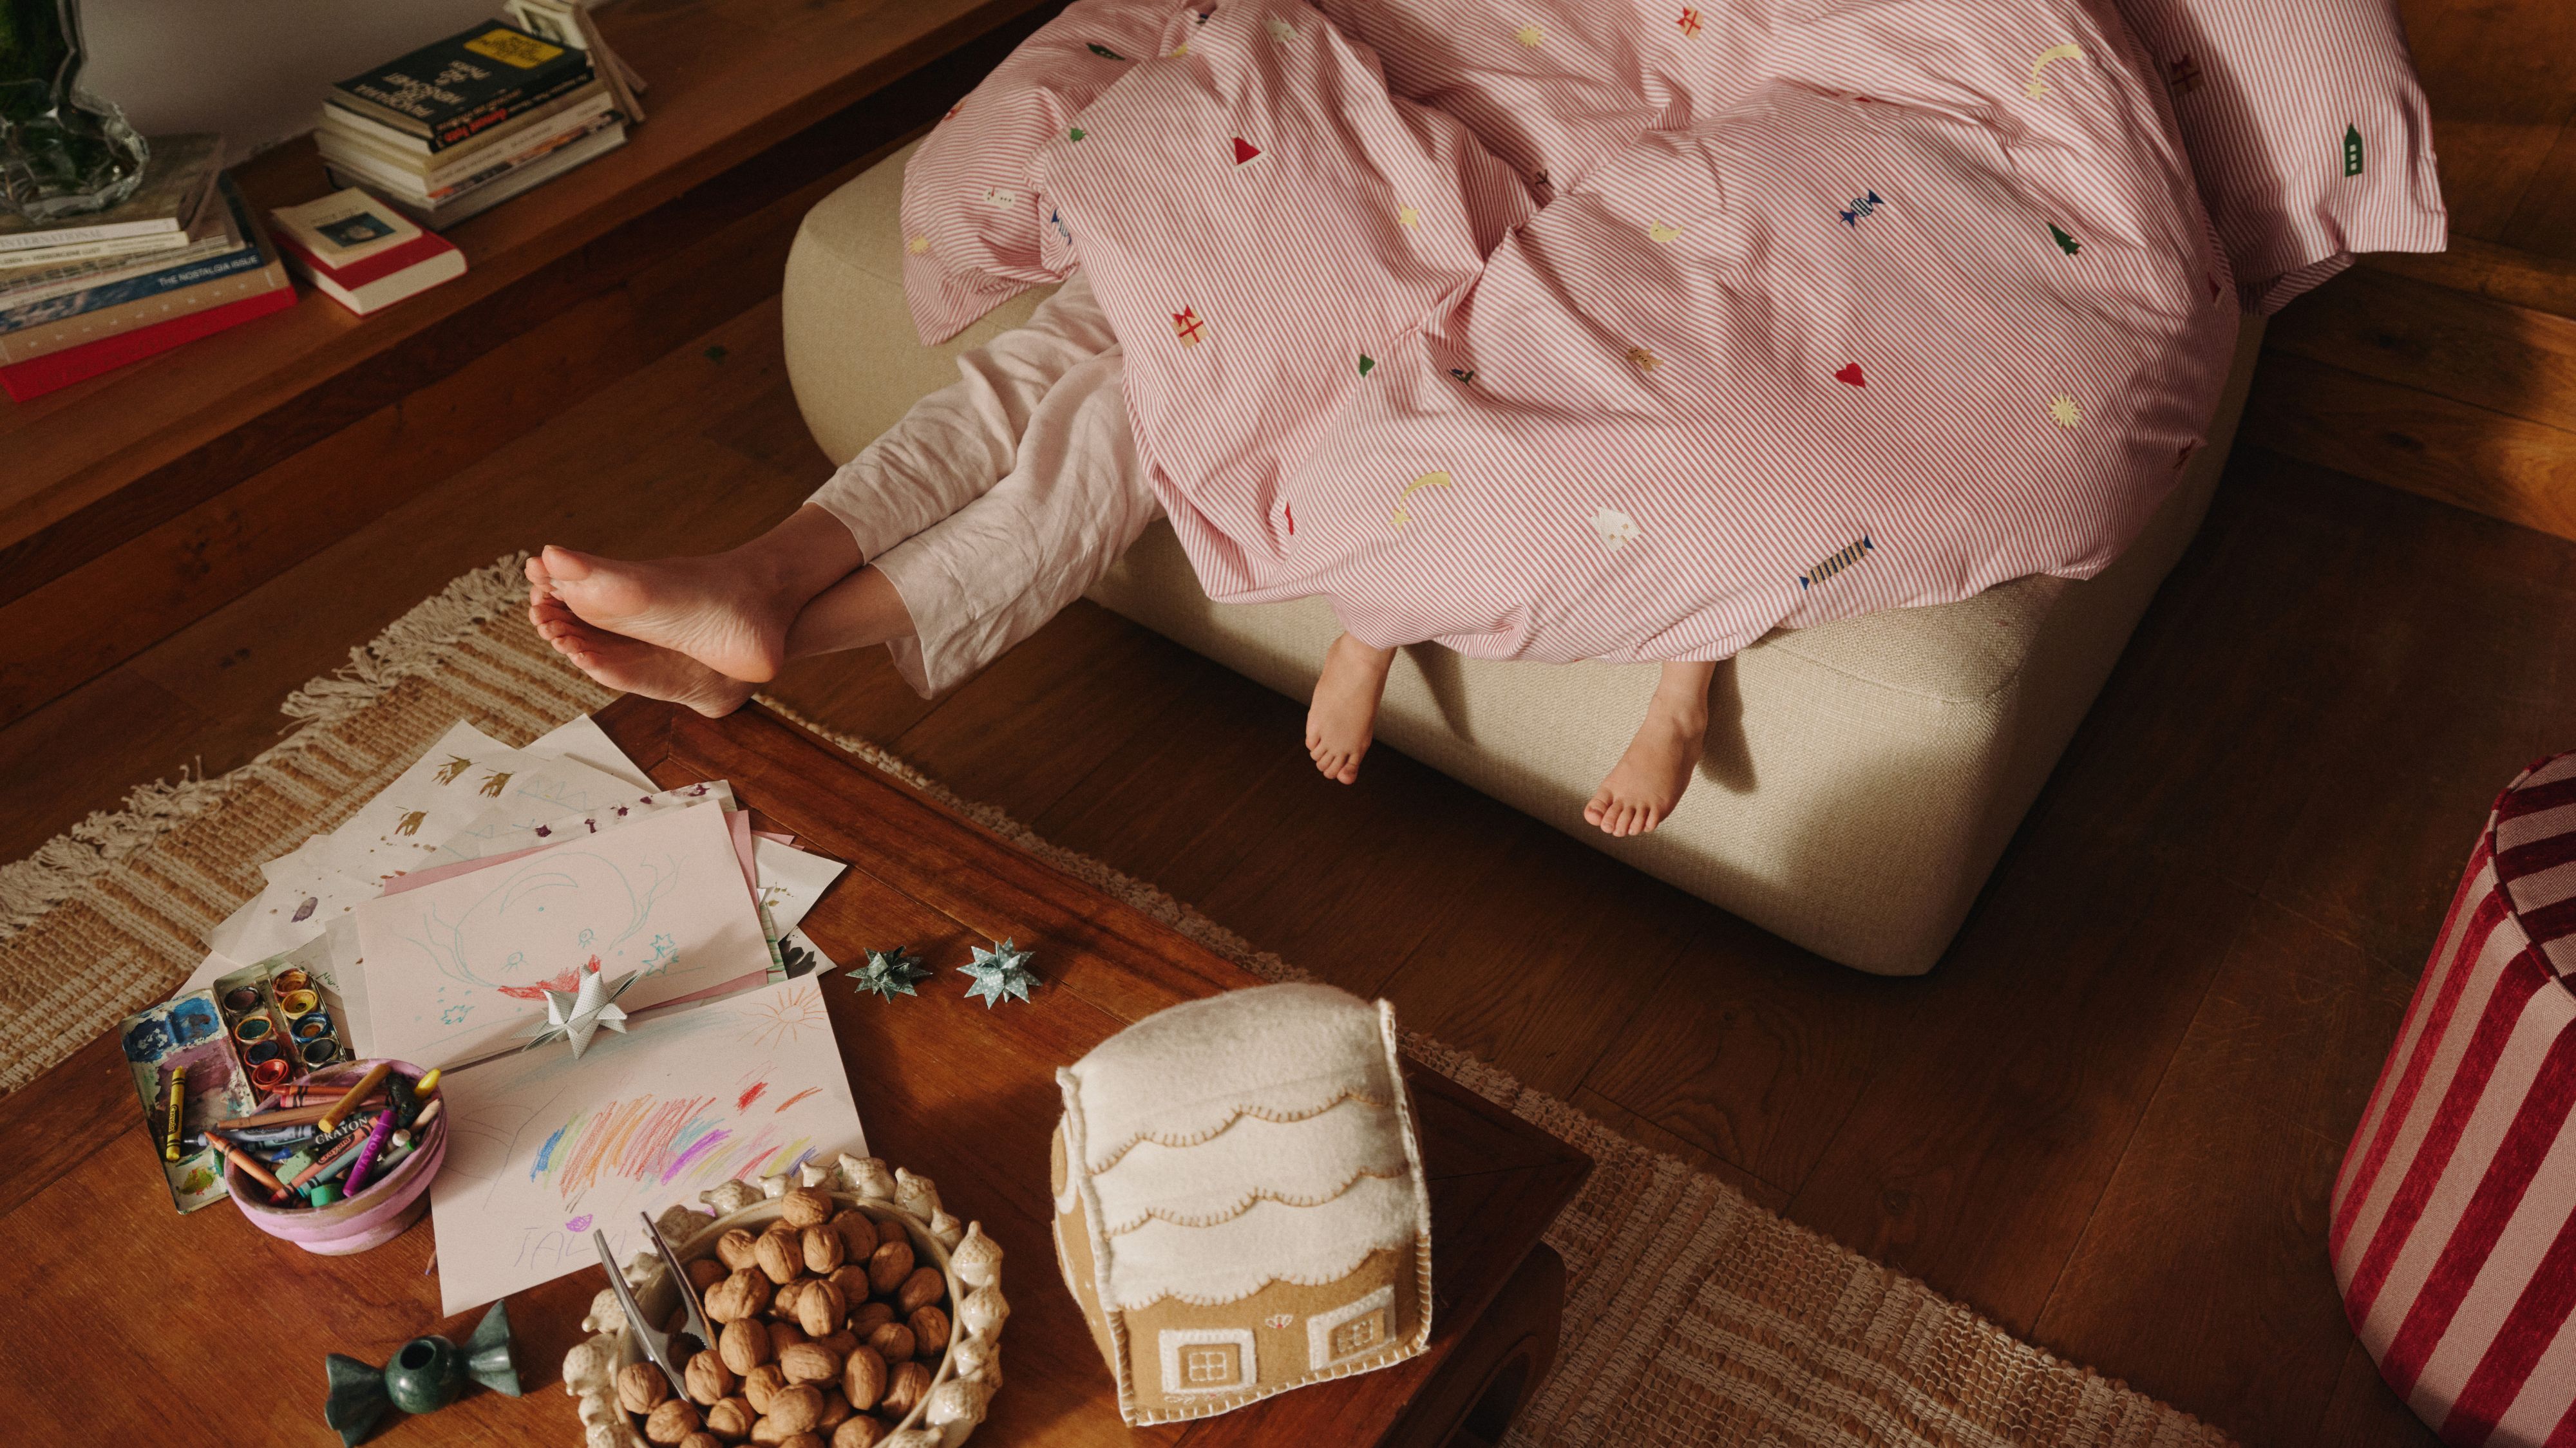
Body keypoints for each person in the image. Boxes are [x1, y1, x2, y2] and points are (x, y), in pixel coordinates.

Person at [530, 272, 1714, 838]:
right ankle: (766, 577)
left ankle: (766, 635)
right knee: (1046, 363)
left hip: (1417, 225)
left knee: (1121, 418)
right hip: (1304, 170)